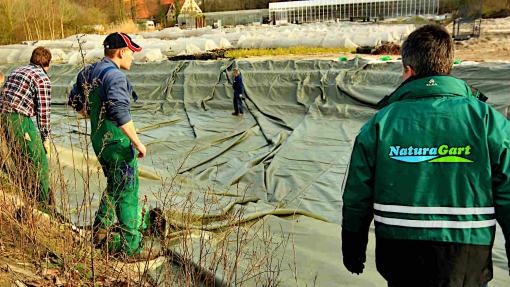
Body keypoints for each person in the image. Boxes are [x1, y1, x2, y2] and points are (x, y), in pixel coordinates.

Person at [341, 24, 510, 287]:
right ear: (448, 65)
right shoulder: (488, 121)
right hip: (466, 258)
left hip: (399, 254)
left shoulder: (380, 124)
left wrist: (352, 248)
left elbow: (356, 194)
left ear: (407, 70)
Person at [68, 32, 165, 261]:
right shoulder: (115, 77)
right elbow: (119, 112)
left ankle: (100, 231)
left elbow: (74, 100)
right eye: (131, 53)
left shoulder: (89, 71)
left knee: (114, 184)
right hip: (116, 142)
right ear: (121, 52)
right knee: (128, 190)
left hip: (99, 140)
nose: (133, 57)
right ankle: (132, 246)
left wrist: (88, 113)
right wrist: (137, 142)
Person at [0, 47, 52, 209]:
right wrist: (46, 139)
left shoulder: (16, 71)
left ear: (32, 59)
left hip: (2, 116)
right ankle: (42, 207)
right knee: (39, 162)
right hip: (18, 119)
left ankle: (26, 200)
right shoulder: (42, 79)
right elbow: (43, 113)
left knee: (20, 161)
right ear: (48, 64)